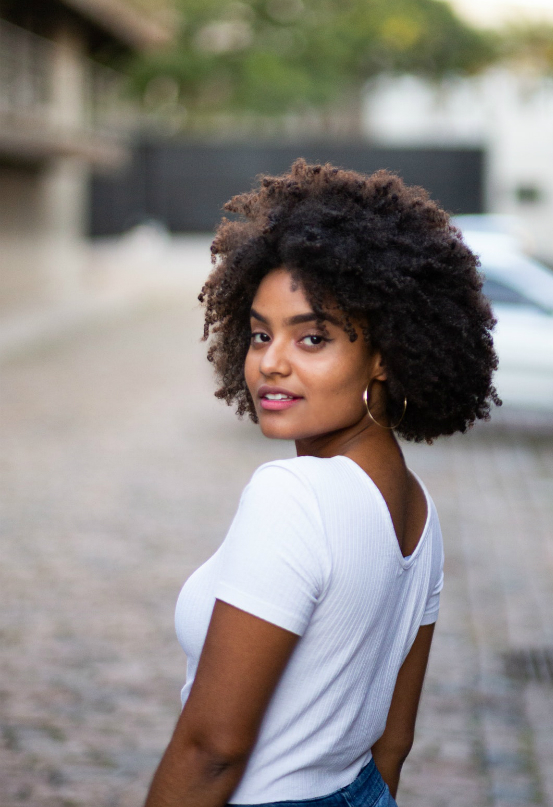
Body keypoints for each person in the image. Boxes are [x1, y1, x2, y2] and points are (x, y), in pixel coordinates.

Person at [144, 160, 498, 807]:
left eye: (312, 337)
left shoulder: (294, 496)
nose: (270, 362)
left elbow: (213, 749)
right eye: (258, 334)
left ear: (386, 353)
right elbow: (392, 740)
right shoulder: (416, 511)